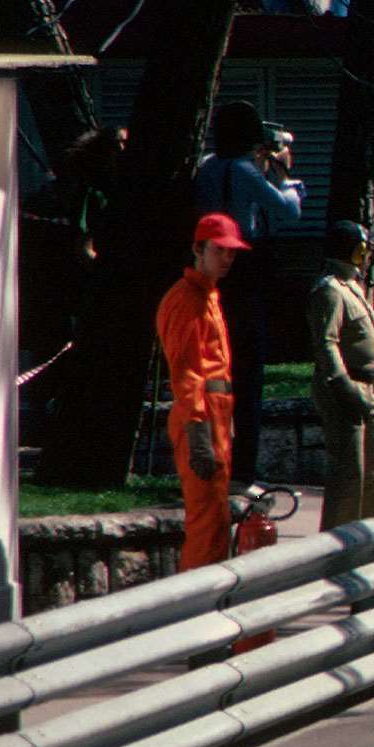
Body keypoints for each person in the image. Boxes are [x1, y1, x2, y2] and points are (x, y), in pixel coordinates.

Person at [192, 100, 303, 486]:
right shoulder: (244, 170)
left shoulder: (208, 167)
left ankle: (215, 459)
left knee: (216, 368)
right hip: (244, 269)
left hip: (210, 268)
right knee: (248, 372)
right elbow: (288, 210)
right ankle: (242, 468)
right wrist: (285, 174)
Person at [156, 213, 249, 570]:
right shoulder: (187, 300)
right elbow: (187, 372)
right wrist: (198, 433)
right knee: (207, 524)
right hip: (202, 421)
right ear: (199, 249)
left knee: (215, 521)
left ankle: (203, 607)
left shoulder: (207, 295)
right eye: (220, 250)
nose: (228, 258)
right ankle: (193, 612)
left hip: (215, 421)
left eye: (232, 252)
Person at [306, 220, 374, 528]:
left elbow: (369, 349)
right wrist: (342, 384)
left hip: (366, 385)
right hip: (345, 389)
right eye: (364, 246)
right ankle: (338, 545)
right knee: (350, 473)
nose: (368, 252)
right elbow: (327, 342)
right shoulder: (330, 290)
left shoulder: (353, 287)